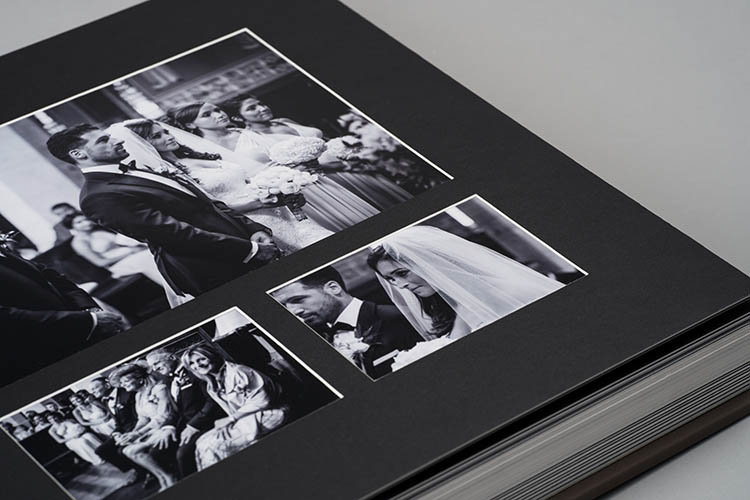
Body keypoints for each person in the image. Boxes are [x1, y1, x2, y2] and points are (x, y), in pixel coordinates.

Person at [45, 124, 279, 299]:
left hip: (244, 240)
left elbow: (206, 204)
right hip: (216, 264)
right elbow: (173, 234)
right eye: (104, 140)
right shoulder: (98, 196)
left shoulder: (138, 169)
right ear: (79, 154)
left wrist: (251, 228)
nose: (117, 140)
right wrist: (248, 250)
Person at [121, 119, 333, 254]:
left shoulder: (197, 156)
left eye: (165, 132)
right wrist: (257, 203)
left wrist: (278, 188)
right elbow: (205, 210)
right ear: (144, 145)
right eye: (157, 136)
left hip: (280, 210)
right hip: (254, 223)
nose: (168, 137)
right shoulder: (169, 176)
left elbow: (244, 181)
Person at [165, 102, 380, 232]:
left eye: (217, 109)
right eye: (207, 114)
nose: (218, 114)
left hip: (307, 184)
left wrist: (305, 164)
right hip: (274, 200)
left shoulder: (246, 132)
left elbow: (287, 153)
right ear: (191, 125)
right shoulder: (202, 152)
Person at [366, 225, 565, 340]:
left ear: (432, 263)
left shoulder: (510, 290)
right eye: (391, 279)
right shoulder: (447, 307)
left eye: (402, 273)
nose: (400, 285)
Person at [225, 95, 413, 211]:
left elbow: (321, 143)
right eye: (252, 108)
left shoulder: (284, 121)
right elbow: (276, 170)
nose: (262, 108)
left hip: (350, 168)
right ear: (237, 117)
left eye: (261, 103)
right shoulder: (252, 140)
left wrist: (346, 150)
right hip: (324, 181)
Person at [0, 246, 128, 385]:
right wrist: (88, 320)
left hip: (84, 329)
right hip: (43, 349)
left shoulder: (5, 250)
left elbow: (55, 278)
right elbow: (7, 316)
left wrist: (89, 308)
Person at [272, 266, 422, 379]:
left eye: (298, 300)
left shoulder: (399, 318)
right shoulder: (318, 340)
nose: (293, 311)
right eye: (285, 306)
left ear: (334, 288)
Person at [181, 345, 285, 470]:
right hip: (247, 419)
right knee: (201, 442)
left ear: (211, 356)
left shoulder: (238, 372)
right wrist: (230, 424)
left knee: (211, 446)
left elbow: (263, 400)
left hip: (272, 413)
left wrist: (231, 419)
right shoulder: (212, 385)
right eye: (192, 363)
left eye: (201, 359)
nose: (198, 365)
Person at [145, 348, 224, 478]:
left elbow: (212, 400)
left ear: (171, 357)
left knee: (183, 454)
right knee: (156, 452)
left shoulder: (195, 369)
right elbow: (176, 410)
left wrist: (193, 426)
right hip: (185, 425)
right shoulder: (169, 380)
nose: (155, 369)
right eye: (152, 366)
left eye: (156, 363)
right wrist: (169, 427)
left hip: (208, 421)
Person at [109, 363, 178, 492]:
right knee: (127, 450)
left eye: (125, 382)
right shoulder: (138, 395)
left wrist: (139, 434)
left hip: (165, 427)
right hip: (152, 429)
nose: (122, 385)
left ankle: (169, 476)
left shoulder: (159, 389)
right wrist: (132, 433)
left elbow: (164, 416)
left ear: (140, 380)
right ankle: (161, 477)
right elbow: (143, 419)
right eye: (121, 383)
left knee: (133, 450)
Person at [62, 213, 165, 284]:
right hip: (117, 264)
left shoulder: (98, 232)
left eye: (86, 219)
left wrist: (137, 247)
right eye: (79, 222)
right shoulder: (79, 242)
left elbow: (122, 242)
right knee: (147, 259)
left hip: (131, 254)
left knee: (155, 254)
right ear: (71, 227)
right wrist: (129, 252)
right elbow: (100, 262)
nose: (86, 223)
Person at [88, 376, 141, 482]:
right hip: (122, 430)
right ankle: (135, 469)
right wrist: (116, 433)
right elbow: (118, 422)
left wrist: (130, 433)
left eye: (95, 388)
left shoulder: (126, 393)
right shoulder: (105, 401)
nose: (92, 392)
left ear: (107, 385)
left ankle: (144, 470)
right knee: (101, 450)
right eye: (91, 390)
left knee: (121, 449)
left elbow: (137, 417)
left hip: (136, 427)